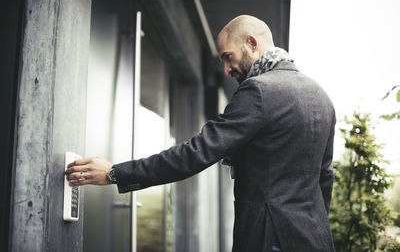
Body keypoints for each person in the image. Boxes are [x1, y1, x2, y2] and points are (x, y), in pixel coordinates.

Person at [66, 15, 336, 252]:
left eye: (227, 57)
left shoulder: (259, 91)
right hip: (315, 240)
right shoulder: (321, 97)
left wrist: (115, 173)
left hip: (270, 239)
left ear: (252, 44)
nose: (227, 70)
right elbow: (324, 178)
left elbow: (196, 153)